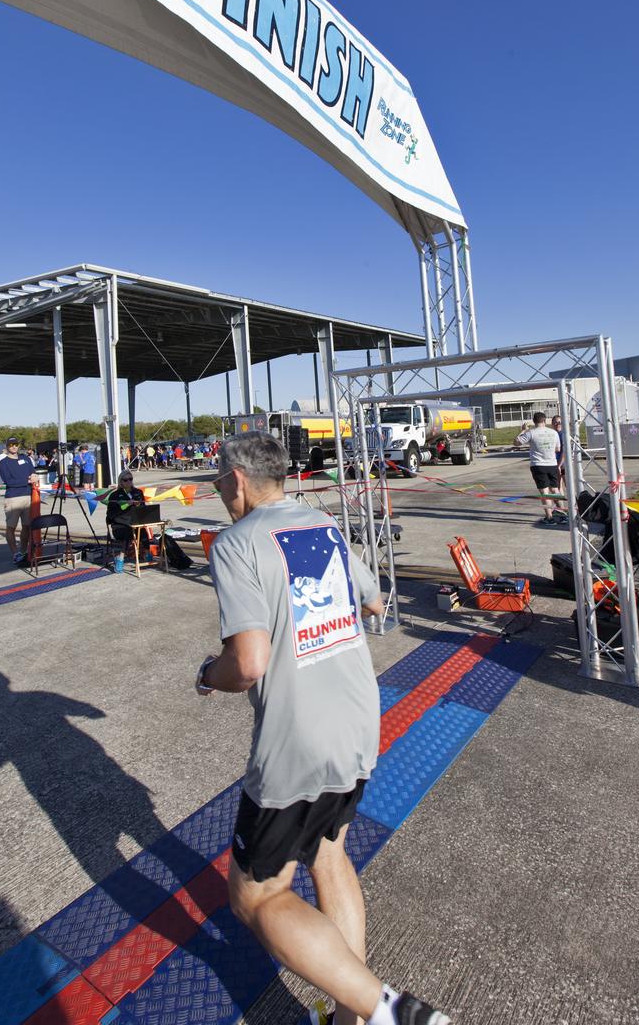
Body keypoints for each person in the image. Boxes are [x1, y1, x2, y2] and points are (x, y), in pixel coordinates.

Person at [197, 432, 451, 1025]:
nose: (217, 492)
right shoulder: (323, 526)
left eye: (217, 481)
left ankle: (388, 1012)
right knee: (329, 855)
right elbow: (372, 602)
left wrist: (209, 675)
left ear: (236, 480)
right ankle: (349, 1018)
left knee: (257, 897)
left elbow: (249, 663)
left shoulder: (236, 543)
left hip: (297, 743)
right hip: (358, 721)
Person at [0, 436, 38, 565]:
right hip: (13, 498)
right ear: (7, 446)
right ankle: (15, 553)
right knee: (11, 527)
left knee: (27, 526)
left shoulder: (26, 458)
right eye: (11, 445)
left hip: (28, 496)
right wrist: (26, 481)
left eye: (16, 444)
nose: (14, 447)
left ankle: (23, 550)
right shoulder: (3, 463)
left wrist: (34, 476)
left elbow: (33, 472)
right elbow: (8, 481)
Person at [526, 412, 565, 525]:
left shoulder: (531, 433)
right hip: (552, 464)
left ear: (534, 421)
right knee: (555, 489)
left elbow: (516, 442)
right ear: (545, 421)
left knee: (544, 491)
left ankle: (549, 518)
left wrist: (523, 430)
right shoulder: (554, 433)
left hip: (538, 465)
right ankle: (563, 514)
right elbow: (558, 449)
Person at [105, 471, 146, 569]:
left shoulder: (138, 492)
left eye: (130, 479)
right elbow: (110, 515)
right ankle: (120, 558)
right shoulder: (114, 495)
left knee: (143, 532)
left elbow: (144, 509)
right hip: (120, 525)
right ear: (120, 482)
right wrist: (126, 504)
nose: (129, 481)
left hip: (134, 523)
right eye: (125, 480)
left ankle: (147, 555)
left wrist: (139, 504)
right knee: (127, 532)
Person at [550, 415, 567, 512]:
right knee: (558, 486)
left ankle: (576, 506)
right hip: (554, 463)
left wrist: (560, 465)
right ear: (552, 424)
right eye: (555, 422)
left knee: (568, 485)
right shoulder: (553, 434)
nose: (557, 424)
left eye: (559, 422)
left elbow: (564, 451)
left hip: (563, 464)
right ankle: (561, 509)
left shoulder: (563, 434)